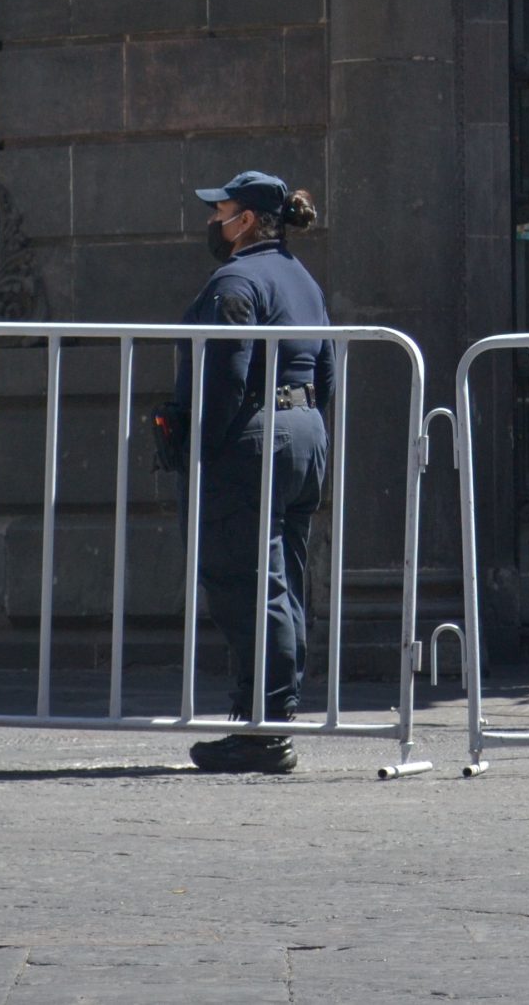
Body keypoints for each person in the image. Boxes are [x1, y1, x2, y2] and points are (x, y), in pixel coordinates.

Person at [157, 171, 333, 774]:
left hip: (254, 439)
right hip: (304, 434)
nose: (213, 220)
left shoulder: (235, 278)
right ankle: (266, 715)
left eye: (222, 210)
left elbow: (225, 377)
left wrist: (197, 449)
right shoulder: (301, 278)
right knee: (283, 580)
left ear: (249, 220)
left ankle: (264, 727)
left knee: (248, 582)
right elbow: (326, 372)